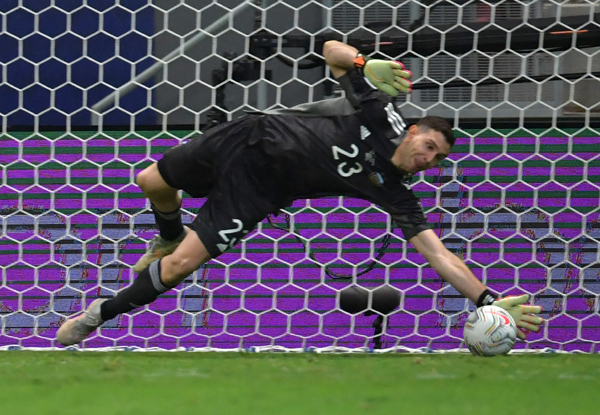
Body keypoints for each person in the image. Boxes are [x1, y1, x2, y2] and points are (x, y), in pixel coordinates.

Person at [57, 40, 543, 346]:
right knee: (149, 182)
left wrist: (487, 298)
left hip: (260, 192)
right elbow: (331, 49)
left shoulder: (395, 192)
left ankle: (96, 316)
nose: (428, 159)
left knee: (183, 265)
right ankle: (166, 232)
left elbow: (439, 255)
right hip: (245, 137)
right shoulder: (379, 112)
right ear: (413, 129)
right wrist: (359, 61)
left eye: (437, 159)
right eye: (429, 146)